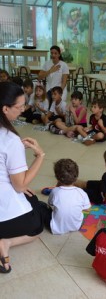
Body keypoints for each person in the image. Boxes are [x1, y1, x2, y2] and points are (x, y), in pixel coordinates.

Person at [0, 81, 45, 273]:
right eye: (19, 107)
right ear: (5, 108)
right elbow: (19, 186)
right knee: (36, 225)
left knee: (30, 196)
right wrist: (40, 156)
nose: (22, 110)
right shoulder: (10, 141)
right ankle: (6, 242)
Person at [39, 159, 91, 235]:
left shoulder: (55, 191)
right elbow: (87, 208)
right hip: (77, 226)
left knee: (41, 205)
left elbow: (50, 204)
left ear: (57, 178)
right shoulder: (81, 192)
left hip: (55, 228)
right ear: (76, 177)